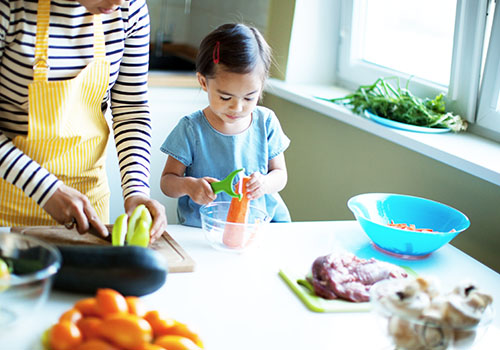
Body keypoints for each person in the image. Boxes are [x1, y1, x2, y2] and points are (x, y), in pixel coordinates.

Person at [0, 0, 166, 241]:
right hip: (7, 206)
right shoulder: (11, 6)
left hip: (89, 209)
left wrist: (137, 190)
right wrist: (46, 189)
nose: (119, 1)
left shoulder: (131, 8)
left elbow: (131, 108)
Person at [160, 23, 291, 227]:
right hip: (203, 230)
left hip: (258, 227)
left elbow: (281, 175)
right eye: (225, 97)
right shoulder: (191, 129)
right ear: (204, 82)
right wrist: (189, 185)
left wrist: (265, 184)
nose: (237, 108)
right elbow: (168, 182)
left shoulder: (266, 122)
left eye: (249, 97)